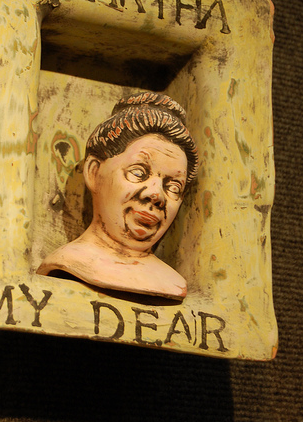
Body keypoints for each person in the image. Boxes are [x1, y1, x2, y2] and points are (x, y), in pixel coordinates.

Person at [37, 92, 198, 299]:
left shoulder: (172, 281)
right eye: (139, 173)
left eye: (174, 187)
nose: (156, 194)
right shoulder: (68, 262)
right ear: (94, 172)